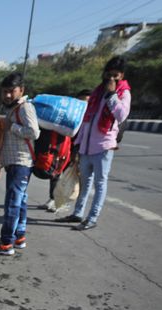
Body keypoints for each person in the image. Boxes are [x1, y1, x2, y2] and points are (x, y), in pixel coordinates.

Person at [59, 56, 131, 230]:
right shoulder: (97, 92)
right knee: (84, 181)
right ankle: (78, 213)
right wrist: (78, 144)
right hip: (86, 146)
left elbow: (121, 116)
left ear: (121, 76)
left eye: (116, 75)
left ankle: (92, 218)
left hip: (104, 146)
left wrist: (112, 95)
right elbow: (87, 119)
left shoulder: (123, 93)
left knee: (100, 184)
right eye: (108, 74)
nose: (111, 79)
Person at [0, 72, 39, 257]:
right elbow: (5, 141)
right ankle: (19, 237)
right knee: (20, 201)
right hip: (14, 163)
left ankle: (6, 243)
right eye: (4, 91)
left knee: (12, 204)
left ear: (21, 90)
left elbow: (34, 132)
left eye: (11, 91)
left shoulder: (25, 107)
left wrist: (12, 127)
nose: (7, 95)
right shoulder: (11, 109)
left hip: (21, 163)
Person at [43, 89, 91, 213]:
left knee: (77, 177)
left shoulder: (91, 120)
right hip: (64, 147)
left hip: (81, 150)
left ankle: (72, 206)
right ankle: (53, 198)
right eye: (82, 102)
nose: (85, 105)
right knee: (57, 172)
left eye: (88, 102)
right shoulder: (70, 115)